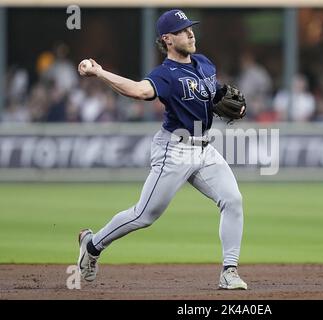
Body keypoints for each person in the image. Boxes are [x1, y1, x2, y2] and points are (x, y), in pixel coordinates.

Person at [76, 9, 247, 290]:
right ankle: (92, 245)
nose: (190, 33)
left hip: (204, 149)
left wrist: (230, 102)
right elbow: (139, 91)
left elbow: (214, 94)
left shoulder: (204, 63)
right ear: (167, 39)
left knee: (233, 200)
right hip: (174, 150)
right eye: (182, 30)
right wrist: (99, 72)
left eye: (190, 28)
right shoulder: (165, 74)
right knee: (144, 215)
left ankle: (229, 271)